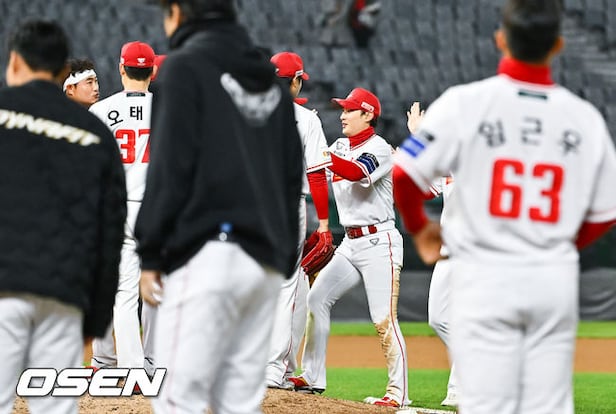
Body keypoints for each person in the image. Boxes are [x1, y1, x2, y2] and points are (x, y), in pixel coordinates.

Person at [392, 1, 616, 413]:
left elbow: (404, 174)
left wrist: (421, 230)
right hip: (550, 276)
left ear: (501, 40)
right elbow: (606, 212)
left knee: (487, 401)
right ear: (558, 45)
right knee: (548, 401)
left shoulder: (464, 104)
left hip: (484, 271)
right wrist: (559, 246)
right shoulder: (585, 119)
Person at [135, 1, 304, 413]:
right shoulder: (267, 78)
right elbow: (290, 171)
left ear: (179, 12)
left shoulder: (184, 67)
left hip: (206, 256)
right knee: (238, 403)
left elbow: (170, 167)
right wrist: (283, 253)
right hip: (263, 262)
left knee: (179, 400)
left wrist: (150, 249)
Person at [0, 20, 126, 414]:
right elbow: (110, 229)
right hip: (65, 292)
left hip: (5, 285)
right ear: (61, 72)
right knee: (55, 407)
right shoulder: (96, 134)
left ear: (14, 62)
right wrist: (98, 315)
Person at [290, 87, 409, 408]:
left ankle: (398, 393)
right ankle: (312, 376)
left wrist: (322, 150)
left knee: (383, 319)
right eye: (342, 109)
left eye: (349, 110)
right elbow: (315, 170)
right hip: (351, 242)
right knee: (317, 298)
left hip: (379, 242)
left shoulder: (379, 148)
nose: (342, 115)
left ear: (368, 114)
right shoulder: (340, 146)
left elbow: (355, 172)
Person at [88, 41, 157, 374]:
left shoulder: (101, 111)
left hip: (118, 209)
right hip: (159, 210)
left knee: (123, 293)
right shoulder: (172, 110)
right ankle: (157, 364)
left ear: (121, 68)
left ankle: (131, 369)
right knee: (160, 292)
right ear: (152, 71)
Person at [265, 51, 332, 390]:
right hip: (286, 207)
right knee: (285, 288)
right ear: (295, 81)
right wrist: (324, 223)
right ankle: (273, 369)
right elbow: (317, 175)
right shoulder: (305, 119)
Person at [406, 102, 459, 408]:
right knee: (438, 318)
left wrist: (419, 136)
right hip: (448, 252)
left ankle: (461, 387)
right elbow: (426, 189)